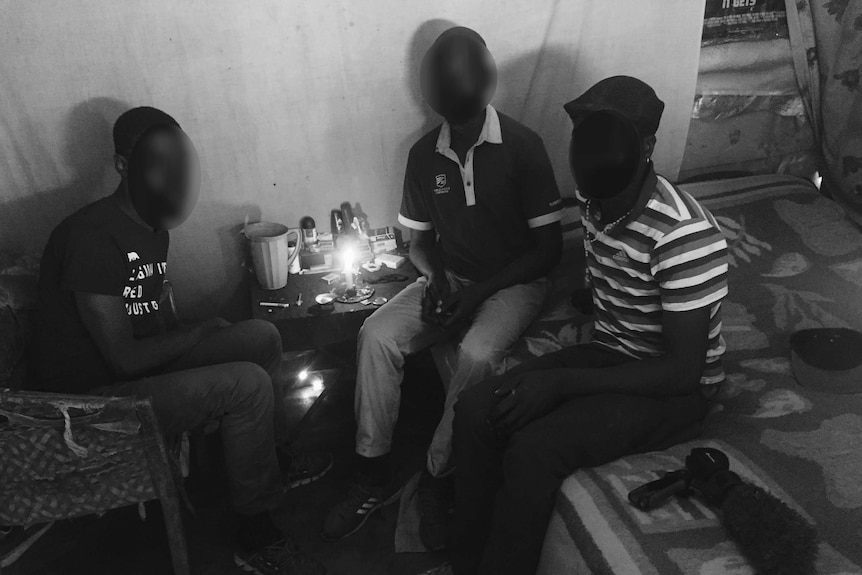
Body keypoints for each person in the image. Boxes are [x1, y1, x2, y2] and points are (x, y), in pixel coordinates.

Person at [448, 76, 730, 575]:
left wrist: (560, 382)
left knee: (534, 450)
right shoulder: (595, 190)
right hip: (613, 349)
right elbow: (612, 263)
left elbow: (682, 373)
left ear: (644, 148)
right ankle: (466, 559)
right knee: (476, 408)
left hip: (674, 391)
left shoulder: (684, 235)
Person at [33, 106, 330, 575]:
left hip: (136, 370)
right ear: (122, 165)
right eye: (157, 162)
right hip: (91, 402)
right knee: (246, 385)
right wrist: (198, 331)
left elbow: (146, 327)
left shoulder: (152, 227)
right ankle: (255, 535)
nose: (172, 174)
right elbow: (125, 359)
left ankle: (267, 460)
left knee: (260, 336)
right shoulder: (90, 236)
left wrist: (199, 333)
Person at [322, 27, 563, 547]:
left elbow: (548, 252)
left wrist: (475, 295)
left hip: (513, 282)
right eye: (441, 77)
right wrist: (433, 280)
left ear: (486, 77)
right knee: (377, 334)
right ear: (429, 91)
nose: (453, 85)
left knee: (476, 354)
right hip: (452, 277)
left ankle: (437, 474)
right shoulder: (423, 154)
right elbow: (418, 242)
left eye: (463, 72)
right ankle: (371, 470)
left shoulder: (523, 146)